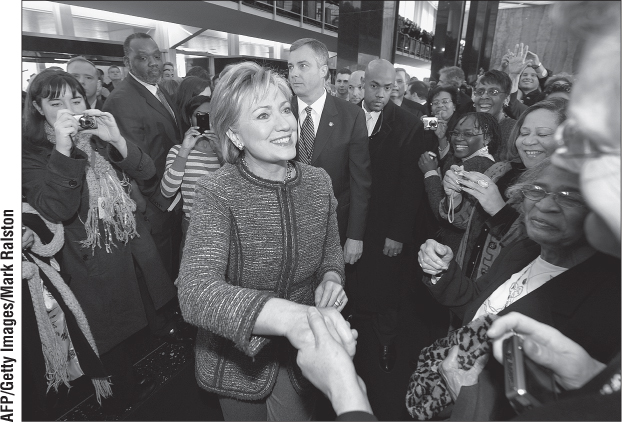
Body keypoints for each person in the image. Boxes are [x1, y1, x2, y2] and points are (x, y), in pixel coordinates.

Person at [176, 61, 356, 421]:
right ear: (235, 135)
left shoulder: (318, 183)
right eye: (263, 115)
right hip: (236, 360)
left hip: (299, 358)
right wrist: (290, 318)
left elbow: (330, 253)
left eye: (285, 109)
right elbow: (194, 292)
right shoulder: (217, 191)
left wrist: (333, 278)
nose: (284, 124)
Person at [22, 69, 179, 413]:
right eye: (55, 101)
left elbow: (147, 172)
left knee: (127, 323)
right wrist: (63, 148)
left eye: (75, 99)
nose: (68, 107)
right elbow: (56, 207)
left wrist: (118, 139)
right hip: (84, 260)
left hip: (125, 245)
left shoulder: (93, 136)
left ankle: (126, 384)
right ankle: (118, 396)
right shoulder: (30, 153)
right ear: (36, 107)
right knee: (103, 334)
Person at [417, 159, 620, 420]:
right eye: (536, 190)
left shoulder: (607, 305)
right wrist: (442, 269)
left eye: (570, 197)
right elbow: (474, 303)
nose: (545, 205)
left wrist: (465, 395)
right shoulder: (524, 248)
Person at [441, 98, 569, 281]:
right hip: (467, 285)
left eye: (542, 134)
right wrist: (455, 197)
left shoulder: (568, 194)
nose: (529, 141)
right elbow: (466, 223)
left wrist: (499, 211)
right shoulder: (501, 170)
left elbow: (542, 253)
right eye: (524, 133)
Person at [352, 59, 425, 378]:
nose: (381, 93)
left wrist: (397, 233)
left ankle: (386, 341)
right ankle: (347, 337)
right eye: (374, 86)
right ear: (363, 84)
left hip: (386, 224)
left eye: (388, 87)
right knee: (347, 284)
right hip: (350, 222)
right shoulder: (344, 115)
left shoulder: (410, 124)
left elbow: (411, 187)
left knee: (387, 290)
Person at [103, 33, 183, 278]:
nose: (154, 63)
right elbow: (133, 160)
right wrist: (160, 201)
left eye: (157, 56)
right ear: (127, 62)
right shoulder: (122, 100)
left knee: (171, 261)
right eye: (143, 58)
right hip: (153, 203)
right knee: (158, 270)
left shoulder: (158, 91)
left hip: (169, 196)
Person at [288, 38, 371, 266]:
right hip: (286, 227)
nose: (294, 73)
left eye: (302, 66)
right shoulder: (279, 111)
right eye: (290, 67)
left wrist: (355, 235)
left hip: (334, 227)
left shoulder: (350, 116)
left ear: (323, 70)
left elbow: (360, 181)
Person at [419, 112, 499, 253]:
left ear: (486, 138)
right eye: (455, 133)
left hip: (457, 248)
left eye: (468, 134)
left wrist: (429, 173)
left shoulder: (474, 166)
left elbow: (443, 213)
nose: (458, 138)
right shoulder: (482, 161)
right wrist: (442, 139)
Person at [160, 95, 222, 258]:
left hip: (224, 226)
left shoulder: (227, 150)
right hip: (192, 227)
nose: (205, 120)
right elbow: (167, 191)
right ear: (190, 119)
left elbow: (238, 187)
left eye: (210, 115)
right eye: (199, 116)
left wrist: (221, 151)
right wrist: (185, 150)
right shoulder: (178, 151)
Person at [472, 69, 517, 158]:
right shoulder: (468, 124)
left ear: (506, 99)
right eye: (480, 92)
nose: (484, 96)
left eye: (493, 92)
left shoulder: (513, 131)